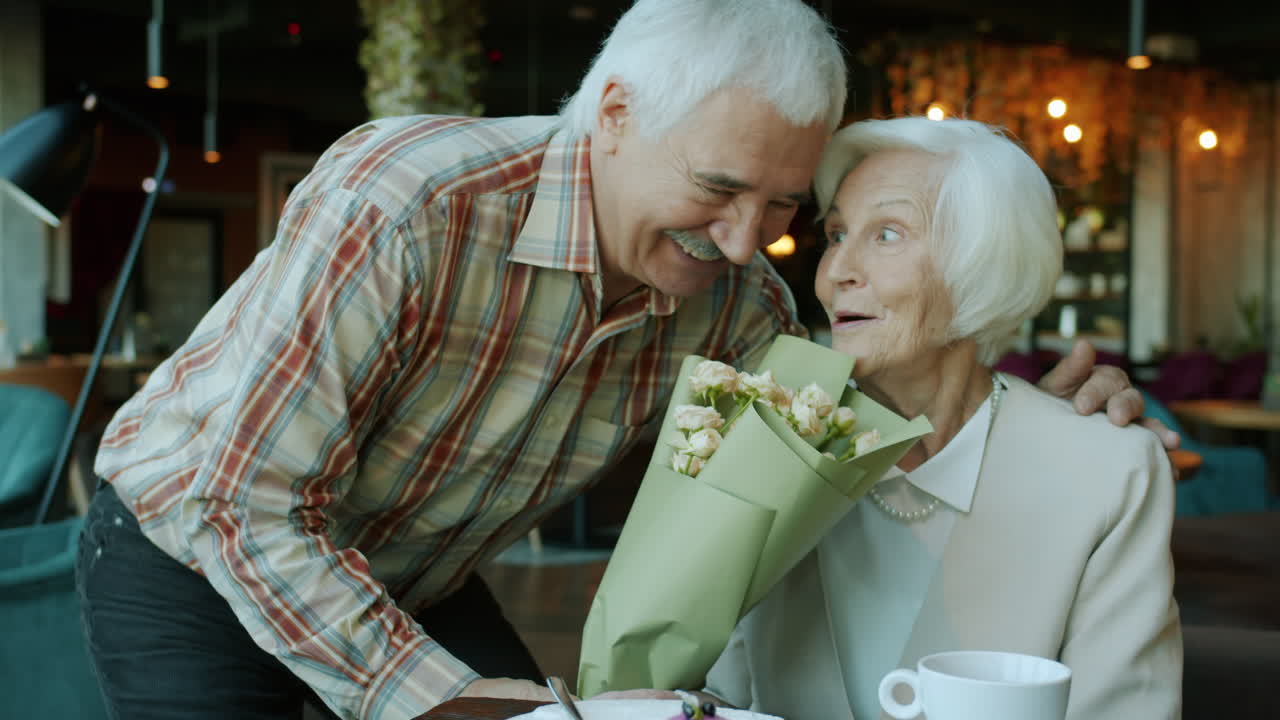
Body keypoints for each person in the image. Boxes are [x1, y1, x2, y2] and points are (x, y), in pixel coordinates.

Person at [75, 2, 1162, 719]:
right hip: (192, 546)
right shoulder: (406, 201)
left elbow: (856, 390)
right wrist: (433, 698)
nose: (746, 244)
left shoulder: (732, 298)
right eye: (718, 189)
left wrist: (1062, 412)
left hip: (416, 569)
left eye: (785, 209)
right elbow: (243, 501)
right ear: (612, 114)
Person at [697, 118, 1182, 718]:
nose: (836, 271)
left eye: (888, 235)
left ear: (984, 263)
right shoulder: (770, 441)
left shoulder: (1111, 473)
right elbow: (719, 700)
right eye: (838, 233)